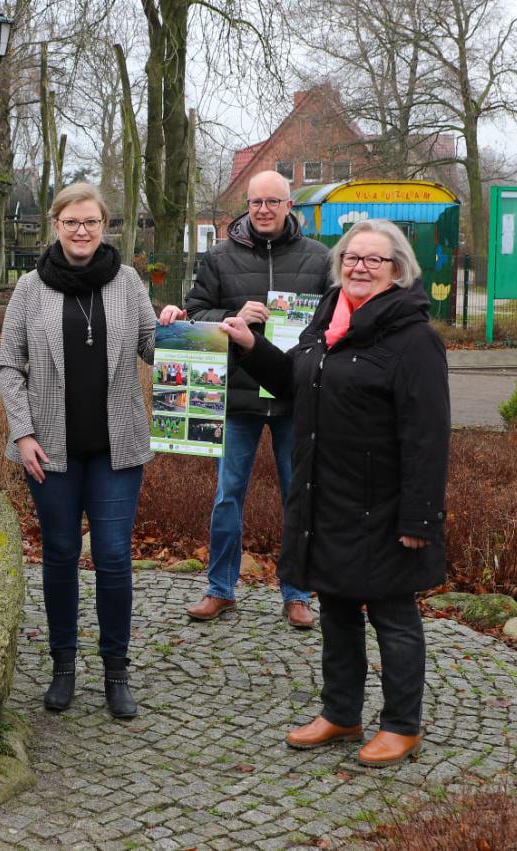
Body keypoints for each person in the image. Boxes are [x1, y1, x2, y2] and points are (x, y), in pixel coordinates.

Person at [220, 218, 449, 767]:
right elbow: (295, 381)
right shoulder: (329, 317)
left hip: (388, 502)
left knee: (393, 616)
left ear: (398, 271)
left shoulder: (414, 338)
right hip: (329, 495)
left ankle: (402, 725)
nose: (360, 267)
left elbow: (428, 435)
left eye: (374, 260)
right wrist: (253, 347)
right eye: (352, 258)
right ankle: (342, 713)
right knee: (338, 610)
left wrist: (419, 519)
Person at [0, 183, 157, 719]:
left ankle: (116, 670)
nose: (82, 231)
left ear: (105, 225)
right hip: (51, 452)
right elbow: (8, 365)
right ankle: (63, 666)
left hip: (118, 450)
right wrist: (22, 434)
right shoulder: (29, 288)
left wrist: (182, 328)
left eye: (91, 221)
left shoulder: (128, 282)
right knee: (61, 556)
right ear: (56, 225)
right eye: (71, 222)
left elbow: (153, 346)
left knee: (113, 558)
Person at [159, 170, 331, 629]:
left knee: (299, 496)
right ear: (247, 205)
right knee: (227, 496)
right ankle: (220, 588)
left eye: (273, 202)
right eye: (256, 202)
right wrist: (233, 316)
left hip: (294, 397)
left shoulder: (319, 259)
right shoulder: (219, 258)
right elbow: (195, 313)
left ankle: (297, 594)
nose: (264, 210)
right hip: (237, 396)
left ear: (290, 206)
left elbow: (333, 319)